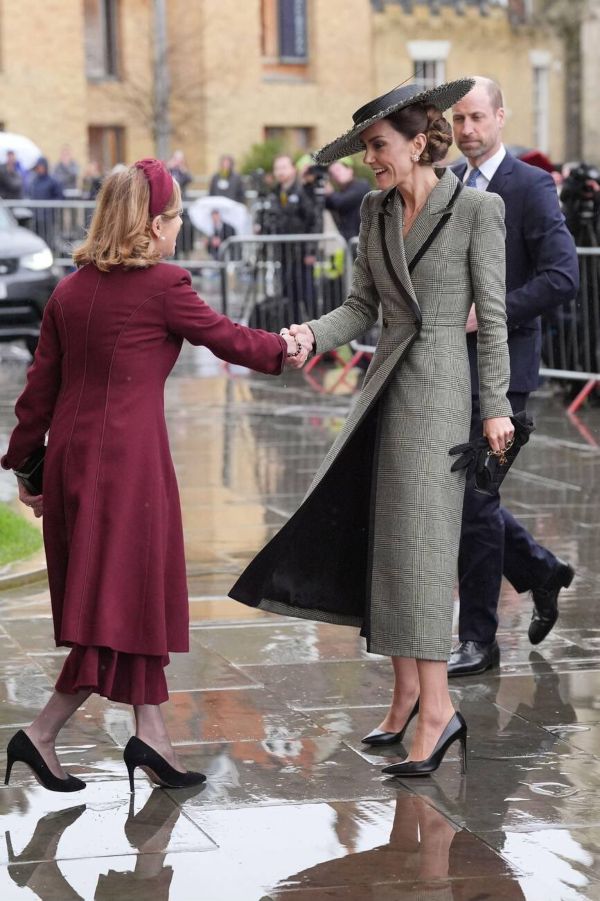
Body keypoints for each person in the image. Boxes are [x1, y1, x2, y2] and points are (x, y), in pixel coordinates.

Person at [230, 78, 514, 777]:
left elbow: (496, 315)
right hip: (383, 384)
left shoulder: (480, 208)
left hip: (443, 385)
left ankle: (439, 710)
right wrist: (307, 334)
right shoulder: (374, 210)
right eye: (363, 150)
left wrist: (496, 405)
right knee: (392, 544)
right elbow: (359, 306)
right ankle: (411, 696)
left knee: (422, 548)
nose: (368, 161)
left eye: (378, 147)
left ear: (419, 141)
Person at [1, 158, 309, 794]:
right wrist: (291, 347)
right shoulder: (163, 284)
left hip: (74, 462)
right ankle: (41, 734)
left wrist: (28, 468)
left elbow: (38, 394)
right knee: (109, 609)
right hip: (127, 469)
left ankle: (153, 737)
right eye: (171, 218)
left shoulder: (68, 289)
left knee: (129, 598)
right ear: (150, 224)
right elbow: (228, 339)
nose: (176, 230)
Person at [448, 76, 579, 677]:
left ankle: (478, 639)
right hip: (448, 369)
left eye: (477, 117)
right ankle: (540, 571)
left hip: (507, 374)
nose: (467, 130)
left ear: (501, 117)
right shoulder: (446, 185)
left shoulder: (530, 185)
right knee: (463, 498)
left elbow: (561, 276)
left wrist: (490, 312)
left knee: (475, 501)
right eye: (459, 120)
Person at [324, 158, 371, 242]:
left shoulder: (361, 186)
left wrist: (330, 192)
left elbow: (341, 202)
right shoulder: (339, 193)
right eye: (332, 173)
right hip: (349, 242)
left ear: (350, 170)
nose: (336, 174)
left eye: (338, 169)